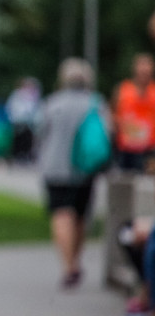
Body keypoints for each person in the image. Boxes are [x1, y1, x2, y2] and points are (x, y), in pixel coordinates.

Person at [35, 57, 109, 290]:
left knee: (61, 214)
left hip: (54, 167)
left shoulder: (51, 103)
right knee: (79, 216)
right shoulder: (96, 104)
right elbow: (106, 135)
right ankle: (75, 260)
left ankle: (68, 267)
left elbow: (40, 134)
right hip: (84, 169)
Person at [112, 53, 155, 172]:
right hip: (125, 151)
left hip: (149, 151)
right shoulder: (123, 89)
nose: (144, 74)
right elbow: (113, 114)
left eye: (147, 71)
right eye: (141, 70)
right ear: (135, 70)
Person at [5, 77, 42, 164]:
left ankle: (25, 155)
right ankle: (17, 156)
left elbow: (36, 108)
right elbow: (12, 107)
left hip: (29, 122)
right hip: (18, 121)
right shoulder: (17, 94)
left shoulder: (34, 95)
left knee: (27, 139)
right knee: (18, 139)